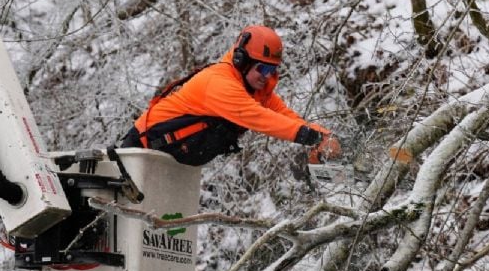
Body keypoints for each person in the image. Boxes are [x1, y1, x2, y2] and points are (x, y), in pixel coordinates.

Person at [121, 25, 340, 167]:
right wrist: (313, 138)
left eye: (272, 70)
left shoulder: (256, 89)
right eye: (263, 69)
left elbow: (286, 116)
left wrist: (326, 136)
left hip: (172, 161)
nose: (267, 76)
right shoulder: (219, 83)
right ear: (241, 61)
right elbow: (259, 118)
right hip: (142, 149)